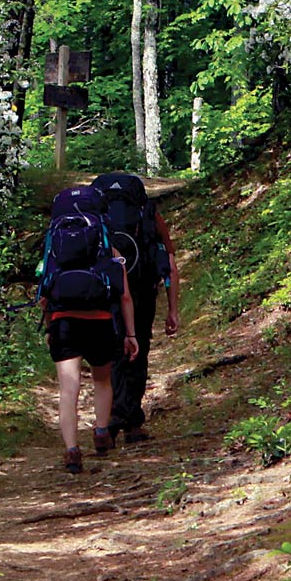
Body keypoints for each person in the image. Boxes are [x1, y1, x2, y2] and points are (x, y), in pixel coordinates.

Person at [96, 176, 181, 445]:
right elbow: (169, 260)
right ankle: (127, 419)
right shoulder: (148, 213)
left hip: (106, 290)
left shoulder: (96, 214)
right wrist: (173, 308)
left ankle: (112, 419)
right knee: (137, 349)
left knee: (111, 352)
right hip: (142, 289)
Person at [42, 249, 138, 474]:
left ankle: (72, 450)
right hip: (100, 322)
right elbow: (124, 296)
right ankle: (102, 432)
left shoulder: (55, 248)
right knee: (102, 379)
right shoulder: (108, 248)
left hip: (64, 322)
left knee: (68, 388)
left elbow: (44, 297)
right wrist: (131, 334)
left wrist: (49, 327)